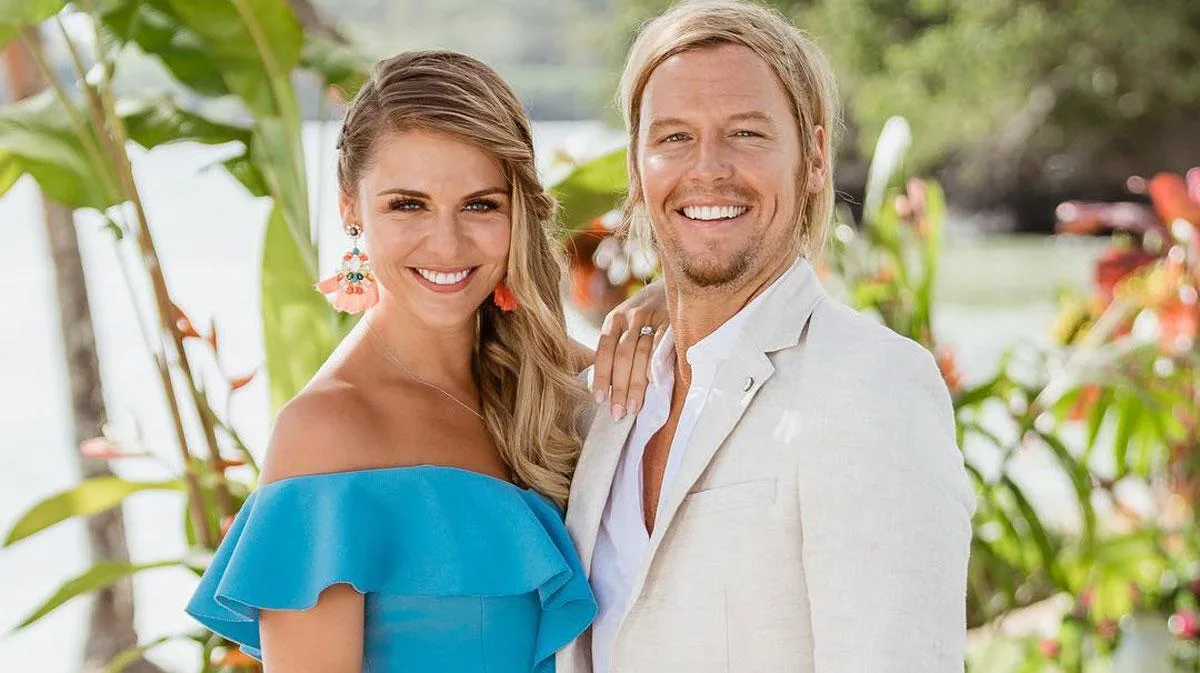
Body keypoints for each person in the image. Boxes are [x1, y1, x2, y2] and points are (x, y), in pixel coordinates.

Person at [185, 50, 664, 672]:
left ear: (517, 209)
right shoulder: (327, 433)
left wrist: (664, 304)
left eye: (480, 204)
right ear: (351, 208)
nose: (446, 243)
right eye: (407, 205)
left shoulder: (560, 382)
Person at [561, 1, 976, 671]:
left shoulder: (871, 386)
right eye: (673, 138)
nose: (708, 168)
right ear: (636, 172)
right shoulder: (610, 402)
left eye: (746, 133)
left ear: (813, 158)